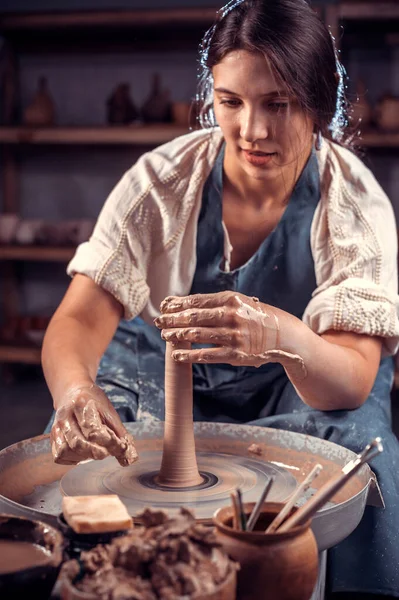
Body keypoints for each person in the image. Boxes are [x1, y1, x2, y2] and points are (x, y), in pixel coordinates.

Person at [42, 0, 399, 597]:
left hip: (298, 376)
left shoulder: (353, 203)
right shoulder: (160, 180)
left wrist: (280, 336)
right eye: (231, 102)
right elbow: (77, 317)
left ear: (317, 103)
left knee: (366, 456)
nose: (252, 131)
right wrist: (77, 389)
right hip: (158, 363)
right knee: (79, 438)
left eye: (277, 105)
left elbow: (351, 380)